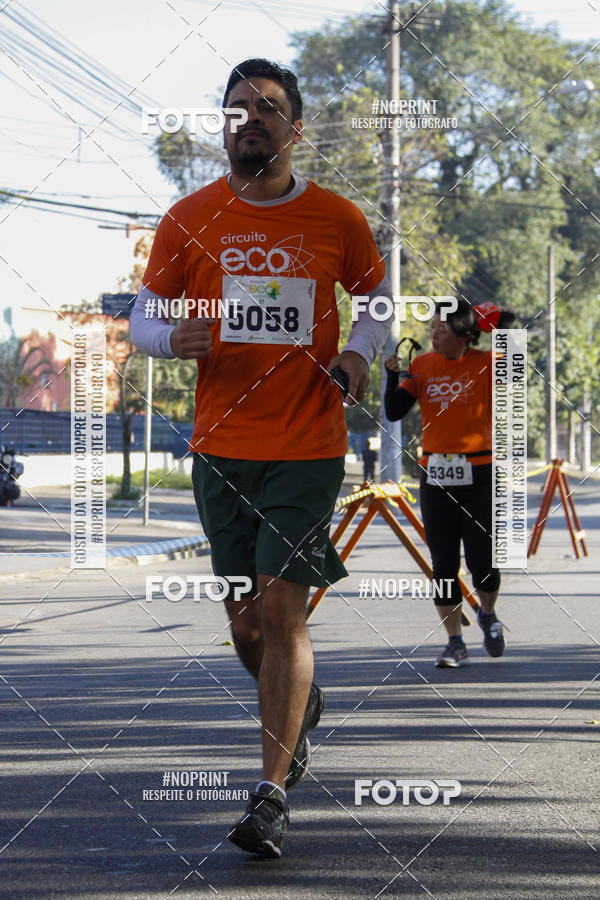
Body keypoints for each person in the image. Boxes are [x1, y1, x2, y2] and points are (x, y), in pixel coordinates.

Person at [130, 58, 391, 857]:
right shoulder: (188, 217)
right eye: (238, 106)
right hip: (221, 450)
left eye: (269, 107)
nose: (252, 117)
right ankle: (299, 703)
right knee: (246, 625)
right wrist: (170, 338)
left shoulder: (336, 218)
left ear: (295, 128)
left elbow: (378, 304)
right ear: (224, 126)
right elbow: (144, 316)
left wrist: (358, 354)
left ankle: (270, 795)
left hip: (307, 446)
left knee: (281, 609)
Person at [384, 299, 514, 668]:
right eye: (432, 329)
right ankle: (454, 641)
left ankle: (487, 614)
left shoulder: (488, 363)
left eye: (441, 330)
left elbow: (514, 364)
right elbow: (394, 410)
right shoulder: (422, 365)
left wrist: (499, 325)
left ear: (463, 334)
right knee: (443, 563)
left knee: (481, 561)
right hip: (436, 474)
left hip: (479, 472)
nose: (433, 335)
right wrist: (392, 376)